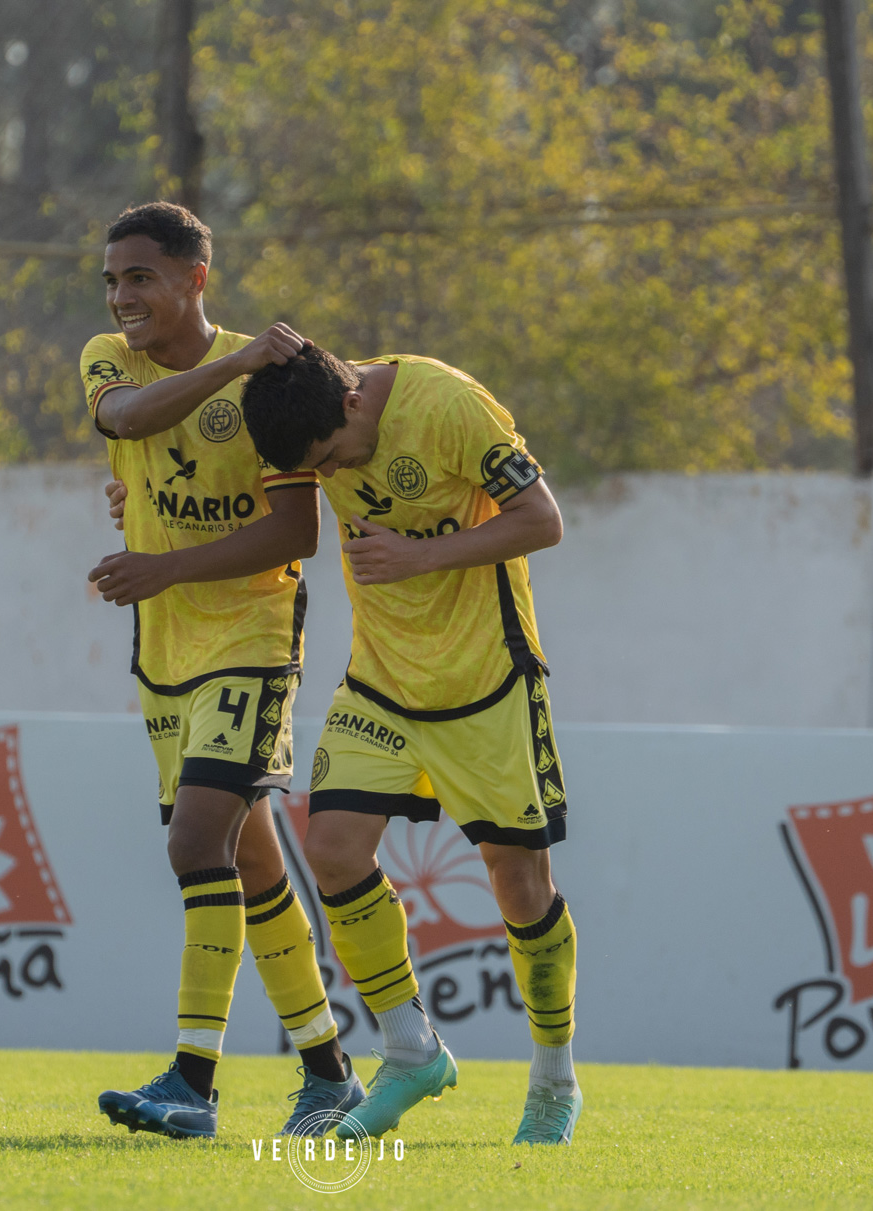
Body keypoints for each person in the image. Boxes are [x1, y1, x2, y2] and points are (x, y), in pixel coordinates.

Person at [241, 346, 581, 1145]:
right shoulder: (304, 406)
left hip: (487, 683)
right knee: (331, 852)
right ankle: (411, 1050)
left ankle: (554, 1081)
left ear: (355, 403)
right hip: (381, 682)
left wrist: (419, 554)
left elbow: (544, 520)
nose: (333, 475)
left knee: (520, 886)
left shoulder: (450, 405)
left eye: (332, 457)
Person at [80, 203, 364, 1139]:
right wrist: (227, 372)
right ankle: (330, 1073)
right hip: (166, 651)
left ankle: (192, 1084)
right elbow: (126, 416)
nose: (122, 297)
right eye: (113, 280)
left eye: (141, 277)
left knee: (194, 842)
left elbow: (296, 531)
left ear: (195, 277)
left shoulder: (266, 378)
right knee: (249, 860)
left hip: (250, 639)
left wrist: (163, 566)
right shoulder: (111, 360)